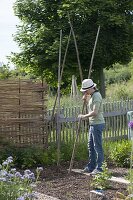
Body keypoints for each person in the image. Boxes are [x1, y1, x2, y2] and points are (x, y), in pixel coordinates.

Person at [78, 78, 105, 175]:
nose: (85, 92)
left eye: (85, 91)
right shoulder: (92, 96)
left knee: (97, 146)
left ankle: (100, 168)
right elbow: (90, 107)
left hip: (97, 124)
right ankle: (91, 166)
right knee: (91, 146)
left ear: (90, 88)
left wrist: (83, 116)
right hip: (93, 124)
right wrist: (85, 100)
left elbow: (95, 112)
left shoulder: (97, 96)